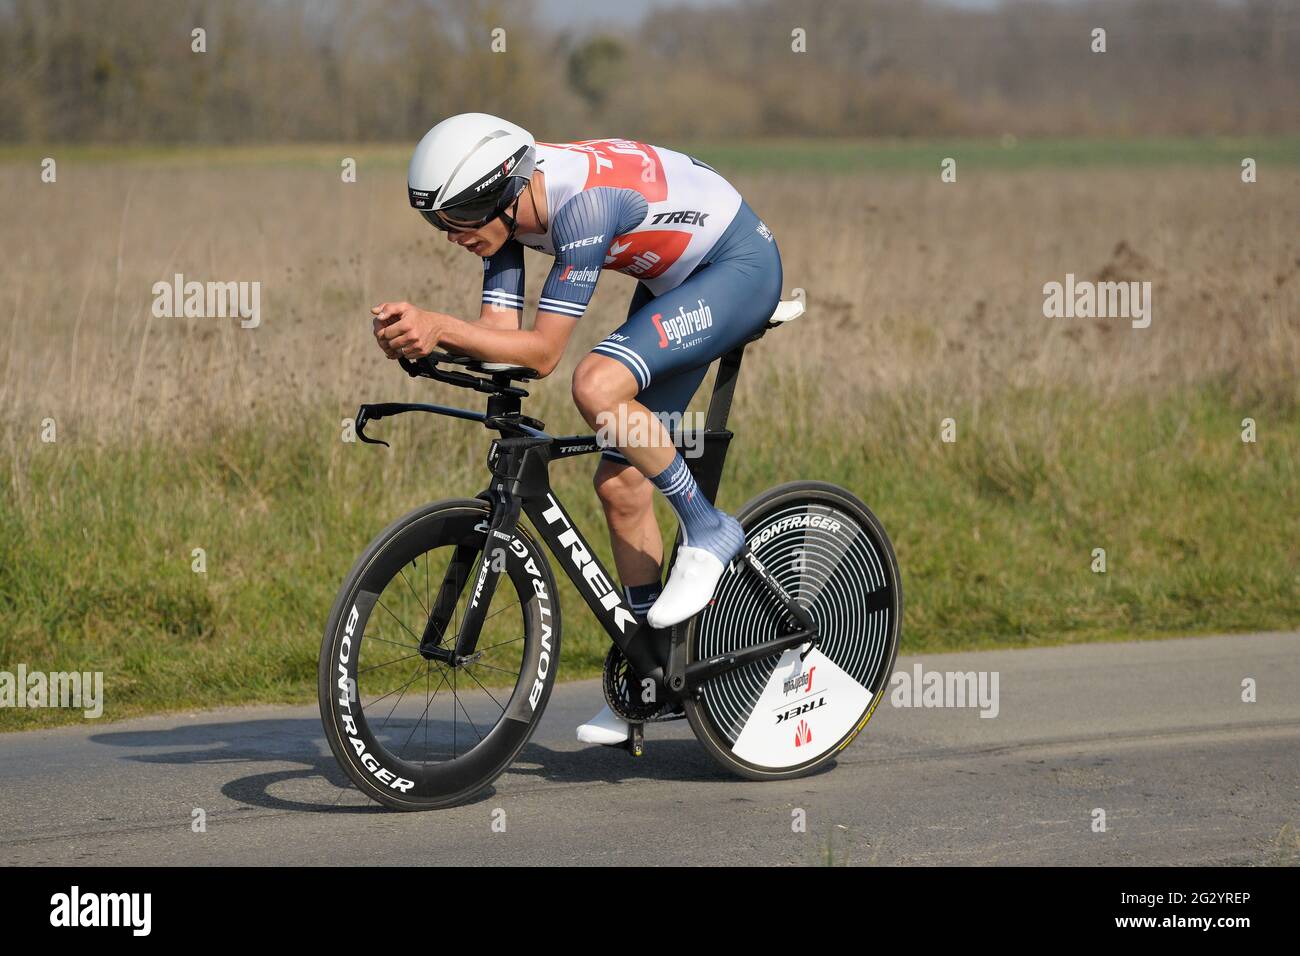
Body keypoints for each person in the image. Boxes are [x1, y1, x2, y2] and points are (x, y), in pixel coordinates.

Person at [373, 113, 782, 745]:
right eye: (439, 225)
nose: (450, 237)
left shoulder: (582, 208)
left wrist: (441, 324)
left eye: (455, 221)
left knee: (596, 383)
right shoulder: (505, 214)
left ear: (499, 195)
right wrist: (423, 344)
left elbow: (542, 355)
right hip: (675, 281)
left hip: (738, 269)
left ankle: (710, 527)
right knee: (620, 484)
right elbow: (503, 341)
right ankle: (652, 677)